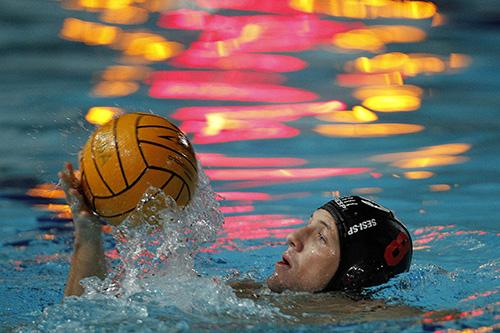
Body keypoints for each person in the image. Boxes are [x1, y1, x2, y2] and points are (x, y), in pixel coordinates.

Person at [59, 162, 413, 297]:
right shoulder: (242, 294)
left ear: (352, 274)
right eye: (308, 225)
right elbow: (88, 308)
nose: (294, 237)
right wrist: (88, 233)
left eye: (321, 236)